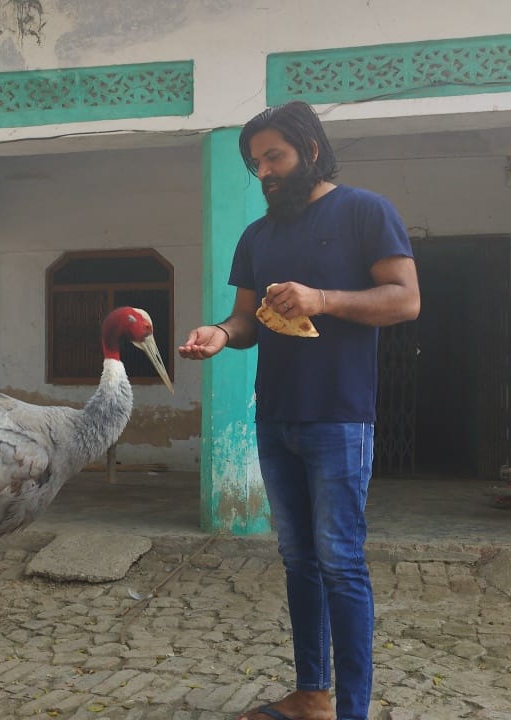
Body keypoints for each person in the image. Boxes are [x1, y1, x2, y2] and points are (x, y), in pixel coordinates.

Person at [179, 101, 421, 720]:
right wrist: (220, 334)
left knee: (340, 561)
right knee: (299, 560)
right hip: (275, 418)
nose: (265, 171)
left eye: (274, 157)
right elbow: (245, 318)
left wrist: (323, 299)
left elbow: (405, 300)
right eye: (256, 163)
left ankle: (353, 712)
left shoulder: (366, 211)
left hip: (340, 416)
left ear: (310, 150)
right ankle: (312, 695)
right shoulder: (259, 235)